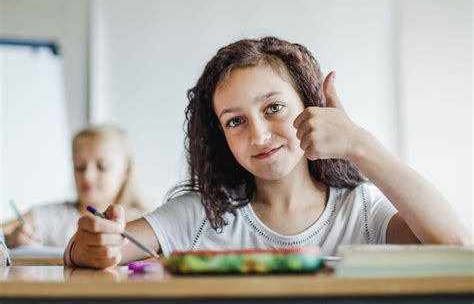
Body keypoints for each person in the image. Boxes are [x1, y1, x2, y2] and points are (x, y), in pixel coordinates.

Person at [64, 37, 469, 269]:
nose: (258, 135)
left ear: (311, 107)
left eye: (273, 108)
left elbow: (456, 246)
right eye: (235, 121)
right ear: (220, 135)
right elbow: (97, 251)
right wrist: (90, 247)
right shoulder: (201, 215)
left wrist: (357, 144)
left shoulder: (361, 212)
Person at [2, 124, 149, 248]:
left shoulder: (144, 223)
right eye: (79, 166)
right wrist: (9, 240)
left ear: (127, 170)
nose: (88, 176)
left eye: (102, 167)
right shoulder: (50, 216)